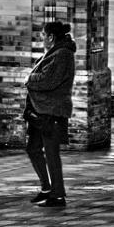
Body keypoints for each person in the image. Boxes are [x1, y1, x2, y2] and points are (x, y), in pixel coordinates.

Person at [24, 21, 76, 207]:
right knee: (33, 148)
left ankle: (58, 194)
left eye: (44, 36)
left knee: (52, 153)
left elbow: (48, 80)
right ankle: (46, 188)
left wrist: (29, 78)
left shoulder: (62, 54)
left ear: (51, 37)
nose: (42, 39)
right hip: (41, 110)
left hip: (52, 111)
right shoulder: (56, 52)